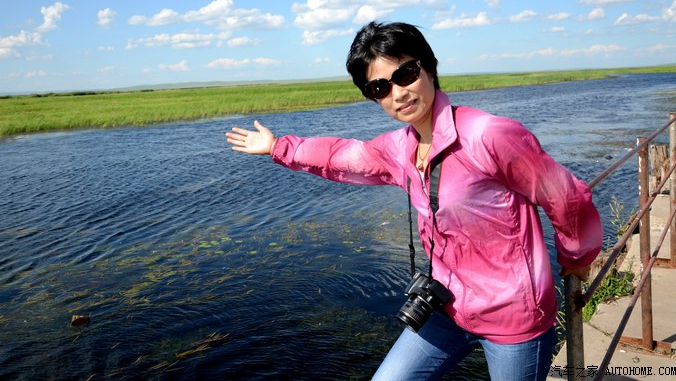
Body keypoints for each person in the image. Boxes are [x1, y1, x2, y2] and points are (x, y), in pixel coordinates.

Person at [225, 21, 602, 380]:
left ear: (429, 68)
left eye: (405, 74)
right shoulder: (398, 149)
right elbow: (343, 155)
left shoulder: (488, 136)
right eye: (380, 87)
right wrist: (278, 147)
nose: (398, 93)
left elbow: (566, 197)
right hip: (445, 308)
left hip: (514, 321)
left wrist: (576, 258)